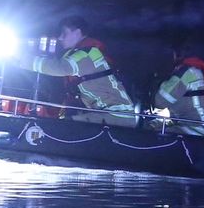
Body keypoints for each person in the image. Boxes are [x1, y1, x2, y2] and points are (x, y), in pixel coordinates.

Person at [7, 15, 138, 126]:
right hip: (105, 114)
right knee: (63, 120)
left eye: (64, 33)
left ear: (77, 32)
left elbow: (60, 68)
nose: (60, 38)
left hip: (116, 116)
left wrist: (21, 57)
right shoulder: (81, 54)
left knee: (66, 126)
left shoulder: (87, 54)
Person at [151, 40, 204, 137]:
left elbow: (160, 101)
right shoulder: (195, 71)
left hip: (198, 130)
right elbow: (186, 105)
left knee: (153, 133)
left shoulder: (185, 73)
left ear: (178, 55)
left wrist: (159, 84)